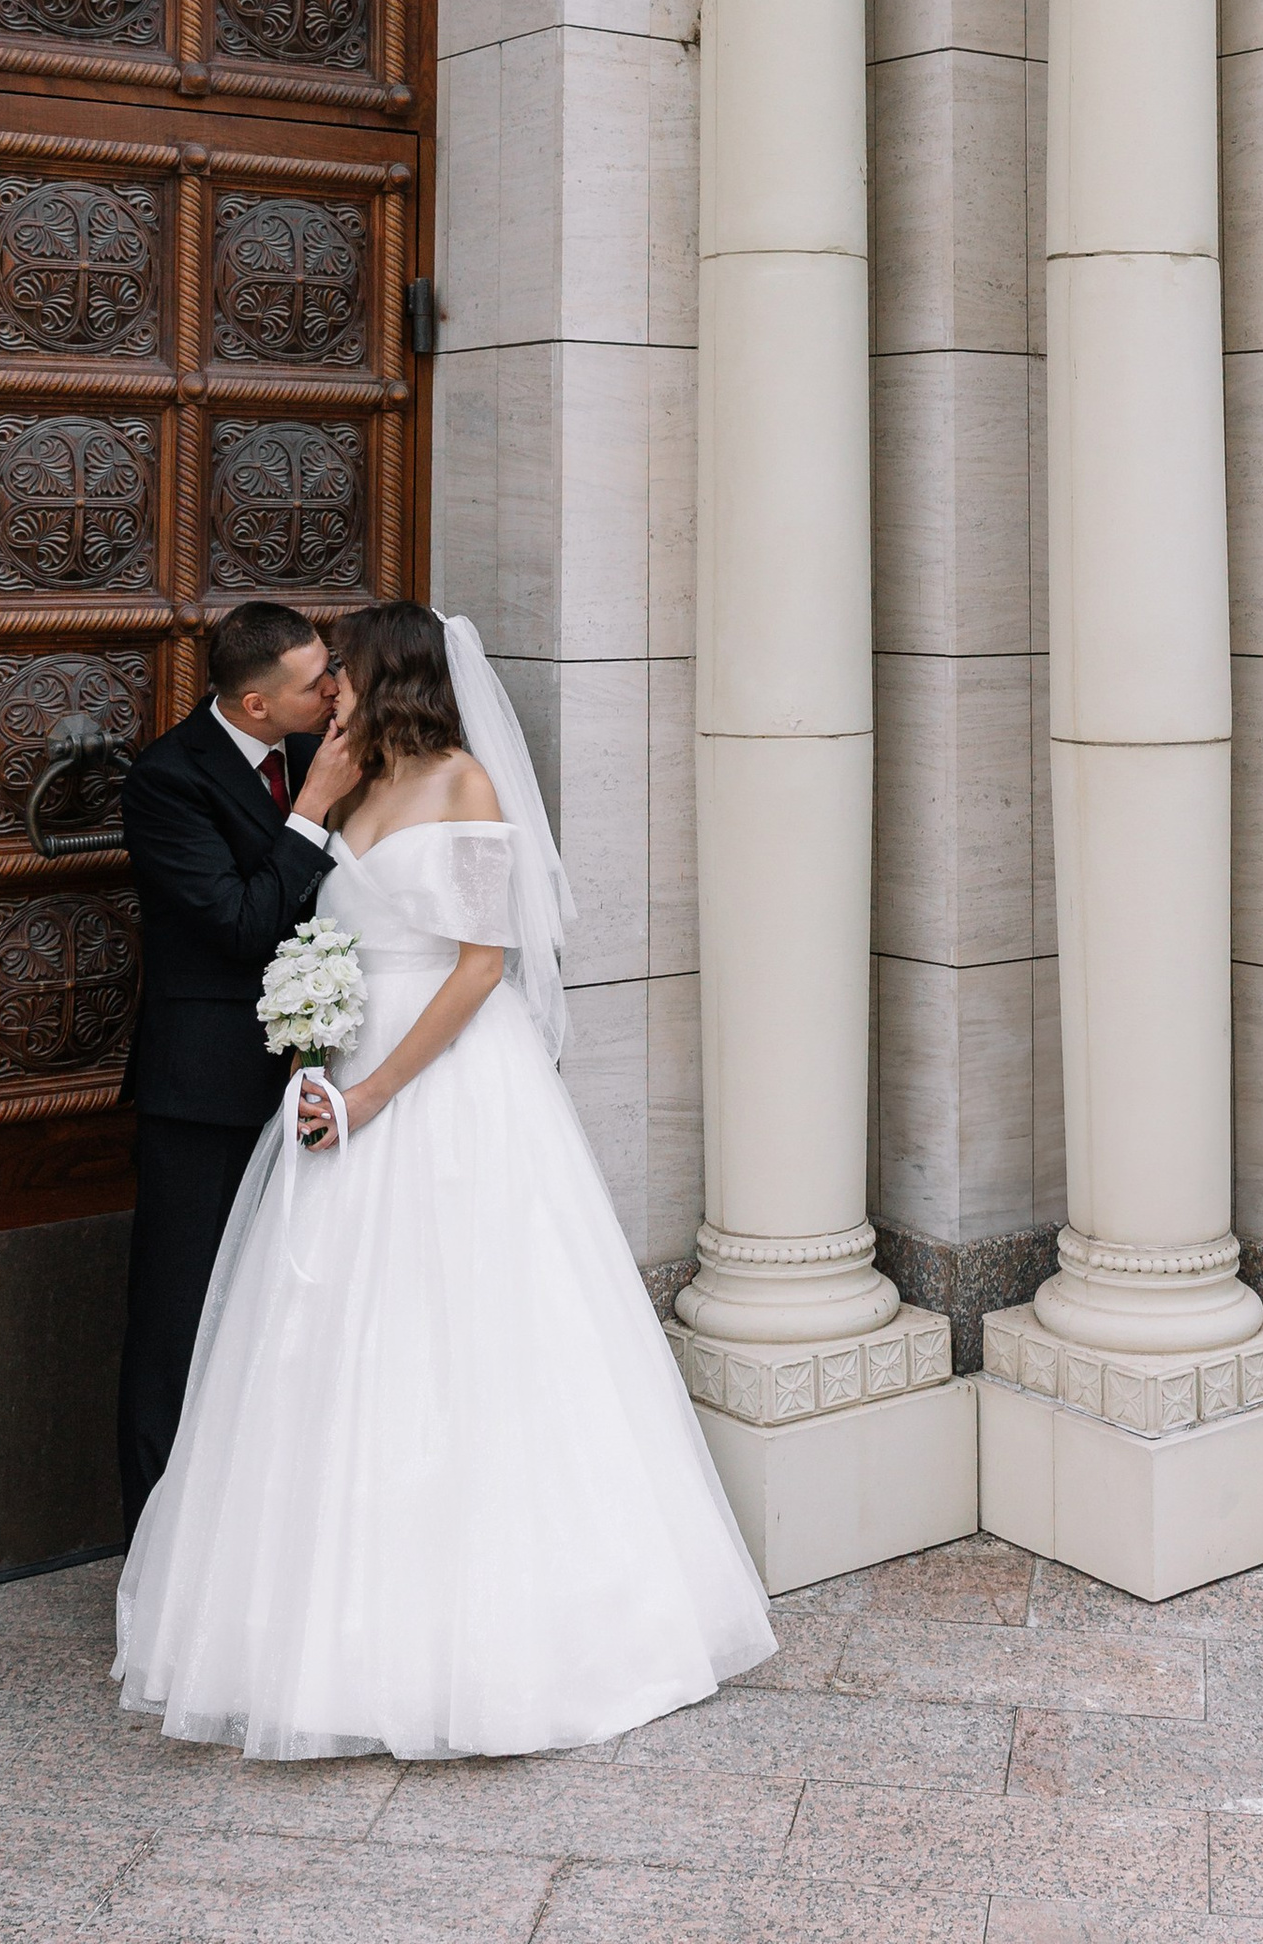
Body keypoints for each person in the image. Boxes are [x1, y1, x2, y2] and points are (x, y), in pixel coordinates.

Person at [115, 599, 774, 1759]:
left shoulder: (463, 786)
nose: (332, 698)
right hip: (338, 1092)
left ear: (388, 681)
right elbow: (297, 927)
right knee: (321, 1340)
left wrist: (372, 1092)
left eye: (346, 678)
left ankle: (499, 1631)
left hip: (443, 1092)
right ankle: (301, 1616)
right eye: (320, 683)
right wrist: (327, 1057)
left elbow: (481, 969)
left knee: (468, 1335)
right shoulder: (343, 789)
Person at [115, 597, 350, 1539]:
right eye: (315, 683)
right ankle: (152, 1555)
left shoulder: (316, 745)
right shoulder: (167, 781)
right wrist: (317, 809)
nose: (333, 691)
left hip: (314, 1086)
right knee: (177, 1321)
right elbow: (243, 924)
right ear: (256, 706)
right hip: (204, 1091)